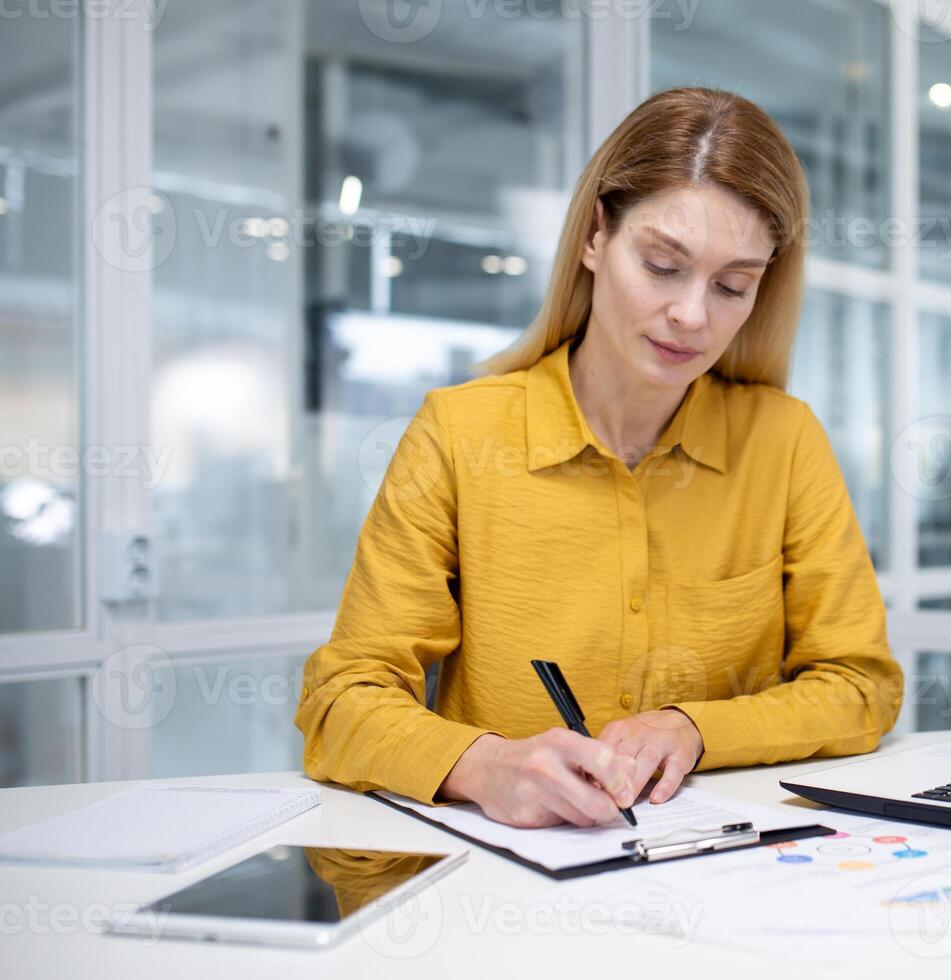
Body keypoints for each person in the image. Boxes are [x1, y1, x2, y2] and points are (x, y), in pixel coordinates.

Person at [294, 87, 903, 829]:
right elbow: (340, 702)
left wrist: (695, 728)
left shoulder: (784, 441)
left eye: (732, 285)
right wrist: (484, 767)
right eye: (661, 265)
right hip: (513, 890)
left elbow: (860, 686)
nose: (692, 315)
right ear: (593, 237)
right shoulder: (458, 434)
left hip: (719, 880)